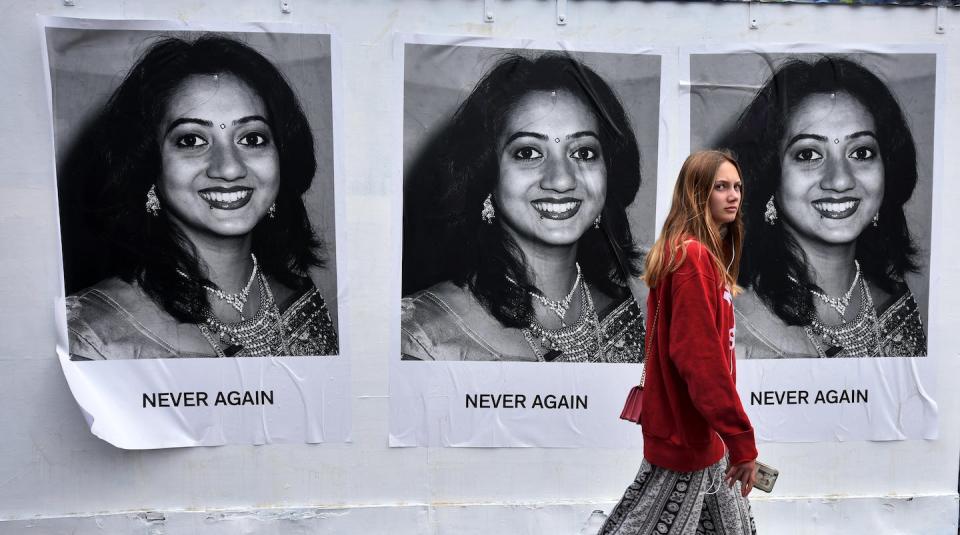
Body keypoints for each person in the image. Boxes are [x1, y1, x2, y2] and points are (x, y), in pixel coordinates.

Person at [64, 35, 338, 359]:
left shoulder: (300, 296)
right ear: (146, 165)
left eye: (252, 138)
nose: (230, 168)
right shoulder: (96, 335)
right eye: (192, 140)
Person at [401, 53, 645, 362]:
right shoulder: (426, 339)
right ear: (485, 174)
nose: (561, 180)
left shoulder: (648, 307)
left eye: (583, 152)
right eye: (528, 152)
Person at [720, 57, 926, 358]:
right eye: (808, 155)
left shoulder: (896, 300)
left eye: (862, 152)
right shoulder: (734, 329)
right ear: (768, 175)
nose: (840, 180)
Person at [600, 151, 757, 535]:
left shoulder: (697, 256)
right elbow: (700, 361)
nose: (733, 196)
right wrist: (741, 439)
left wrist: (729, 436)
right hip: (688, 440)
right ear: (696, 193)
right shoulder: (691, 258)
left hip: (704, 437)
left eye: (737, 187)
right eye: (721, 187)